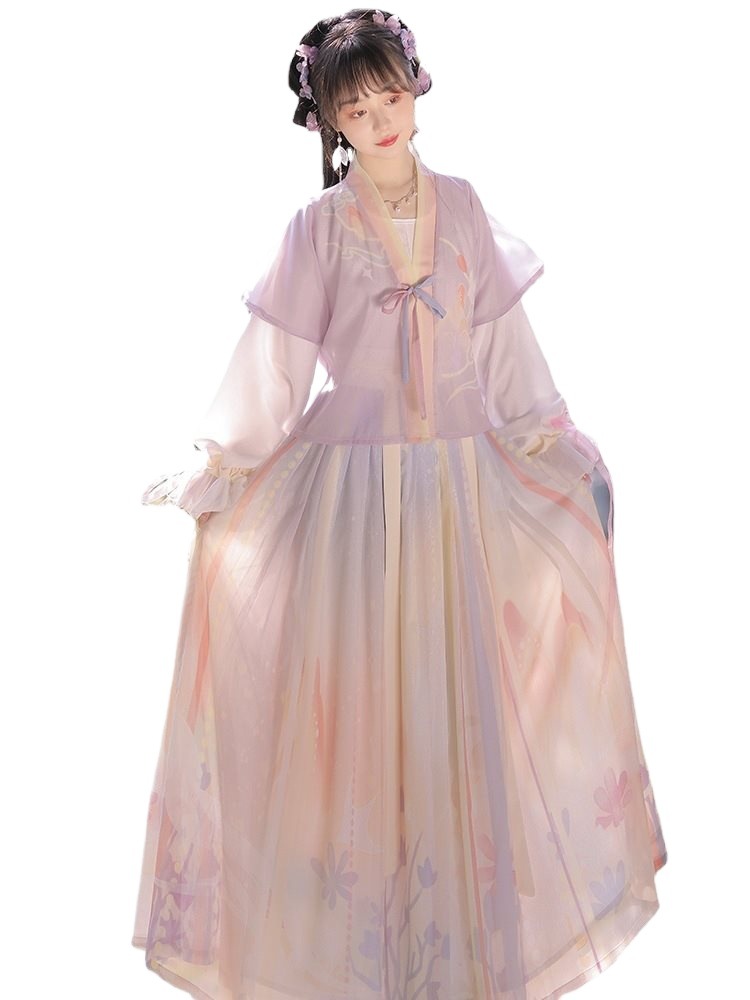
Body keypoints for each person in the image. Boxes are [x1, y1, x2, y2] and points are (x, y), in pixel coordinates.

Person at [132, 9, 668, 999]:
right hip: (352, 508)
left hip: (462, 500)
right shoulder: (318, 229)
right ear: (329, 121)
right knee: (362, 710)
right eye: (356, 107)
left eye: (390, 97)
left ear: (415, 91)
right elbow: (275, 370)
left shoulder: (462, 208)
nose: (379, 120)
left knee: (457, 703)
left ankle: (455, 946)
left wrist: (554, 440)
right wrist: (221, 465)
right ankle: (361, 949)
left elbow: (506, 354)